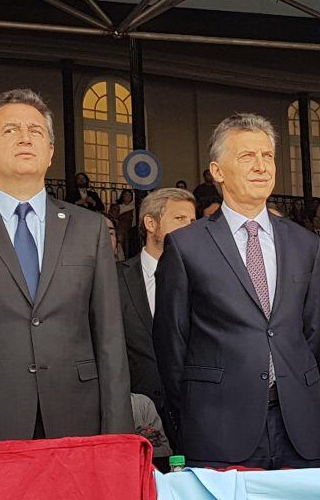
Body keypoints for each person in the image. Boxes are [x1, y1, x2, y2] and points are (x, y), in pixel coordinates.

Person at [0, 88, 133, 446]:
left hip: (76, 420)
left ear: (50, 153)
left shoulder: (88, 227)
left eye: (35, 130)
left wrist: (118, 439)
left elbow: (110, 340)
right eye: (10, 129)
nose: (25, 137)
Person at [154, 114, 320, 469]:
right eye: (247, 157)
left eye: (267, 156)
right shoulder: (187, 245)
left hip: (298, 422)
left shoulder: (304, 243)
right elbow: (172, 344)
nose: (261, 166)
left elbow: (313, 335)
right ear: (217, 171)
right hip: (217, 424)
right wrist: (187, 420)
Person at [118, 188, 195, 446]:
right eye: (180, 219)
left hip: (193, 412)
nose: (190, 228)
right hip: (134, 416)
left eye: (193, 222)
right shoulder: (115, 278)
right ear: (150, 223)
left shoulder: (206, 279)